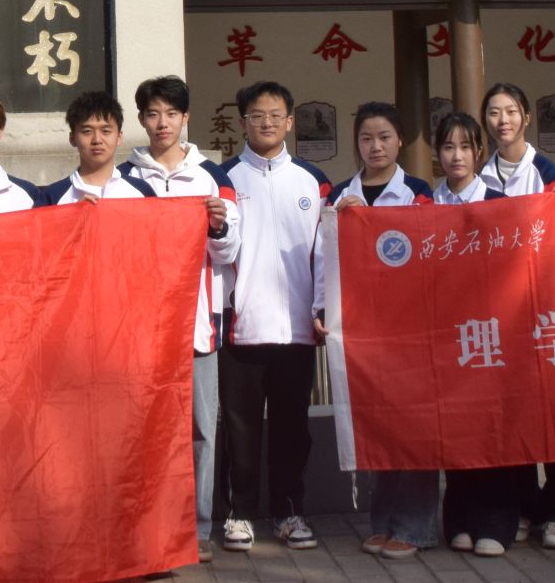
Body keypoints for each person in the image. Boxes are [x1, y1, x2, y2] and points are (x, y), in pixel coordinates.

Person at [122, 75, 241, 563]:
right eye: (153, 114)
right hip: (137, 330)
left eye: (171, 113)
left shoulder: (213, 177)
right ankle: (144, 531)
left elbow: (230, 251)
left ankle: (198, 529)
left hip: (196, 325)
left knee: (200, 432)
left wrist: (217, 226)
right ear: (141, 119)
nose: (162, 123)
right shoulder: (124, 179)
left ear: (186, 117)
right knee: (141, 432)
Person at [218, 80, 329, 554]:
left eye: (275, 115)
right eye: (256, 115)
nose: (266, 123)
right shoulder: (223, 179)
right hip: (242, 327)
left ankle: (288, 511)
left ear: (290, 121)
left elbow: (324, 254)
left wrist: (321, 308)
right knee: (239, 428)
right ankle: (239, 514)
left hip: (297, 327)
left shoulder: (313, 181)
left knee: (292, 428)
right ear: (243, 122)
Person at [331, 102, 437, 560]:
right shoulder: (340, 194)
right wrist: (322, 309)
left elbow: (430, 256)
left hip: (410, 328)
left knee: (414, 426)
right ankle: (383, 522)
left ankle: (415, 527)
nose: (375, 147)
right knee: (377, 424)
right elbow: (323, 259)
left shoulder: (418, 193)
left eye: (385, 137)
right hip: (361, 329)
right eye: (366, 138)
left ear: (400, 141)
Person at [477, 81, 555, 550]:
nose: (503, 121)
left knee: (554, 416)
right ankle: (520, 504)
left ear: (527, 118)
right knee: (512, 414)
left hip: (545, 310)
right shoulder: (480, 175)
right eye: (494, 113)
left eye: (511, 111)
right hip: (500, 314)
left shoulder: (548, 173)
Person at [428, 111, 516, 557]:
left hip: (492, 331)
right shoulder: (426, 206)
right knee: (455, 427)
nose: (456, 156)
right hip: (446, 332)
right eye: (448, 147)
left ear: (479, 153)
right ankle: (459, 518)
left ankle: (496, 523)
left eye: (465, 147)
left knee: (493, 427)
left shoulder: (500, 203)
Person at [37, 90, 157, 203]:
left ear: (119, 137)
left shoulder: (142, 192)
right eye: (87, 131)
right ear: (72, 138)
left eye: (106, 131)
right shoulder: (52, 197)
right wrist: (73, 214)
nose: (97, 140)